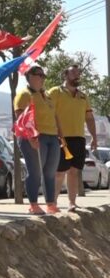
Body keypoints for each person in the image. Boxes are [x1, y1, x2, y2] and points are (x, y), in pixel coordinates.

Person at [50, 64, 98, 212]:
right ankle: (53, 204)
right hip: (61, 137)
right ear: (65, 75)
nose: (77, 75)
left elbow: (89, 118)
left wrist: (94, 137)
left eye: (78, 73)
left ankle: (72, 203)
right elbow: (48, 112)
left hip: (78, 137)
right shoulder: (55, 92)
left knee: (74, 171)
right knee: (59, 172)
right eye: (73, 73)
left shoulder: (83, 96)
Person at [14, 64, 61, 215]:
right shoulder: (24, 94)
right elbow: (21, 118)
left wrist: (60, 135)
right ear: (30, 77)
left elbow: (54, 116)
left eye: (43, 75)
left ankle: (50, 204)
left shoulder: (47, 95)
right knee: (35, 171)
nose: (43, 78)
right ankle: (33, 204)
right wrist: (30, 137)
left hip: (52, 137)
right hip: (34, 137)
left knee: (50, 172)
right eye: (40, 75)